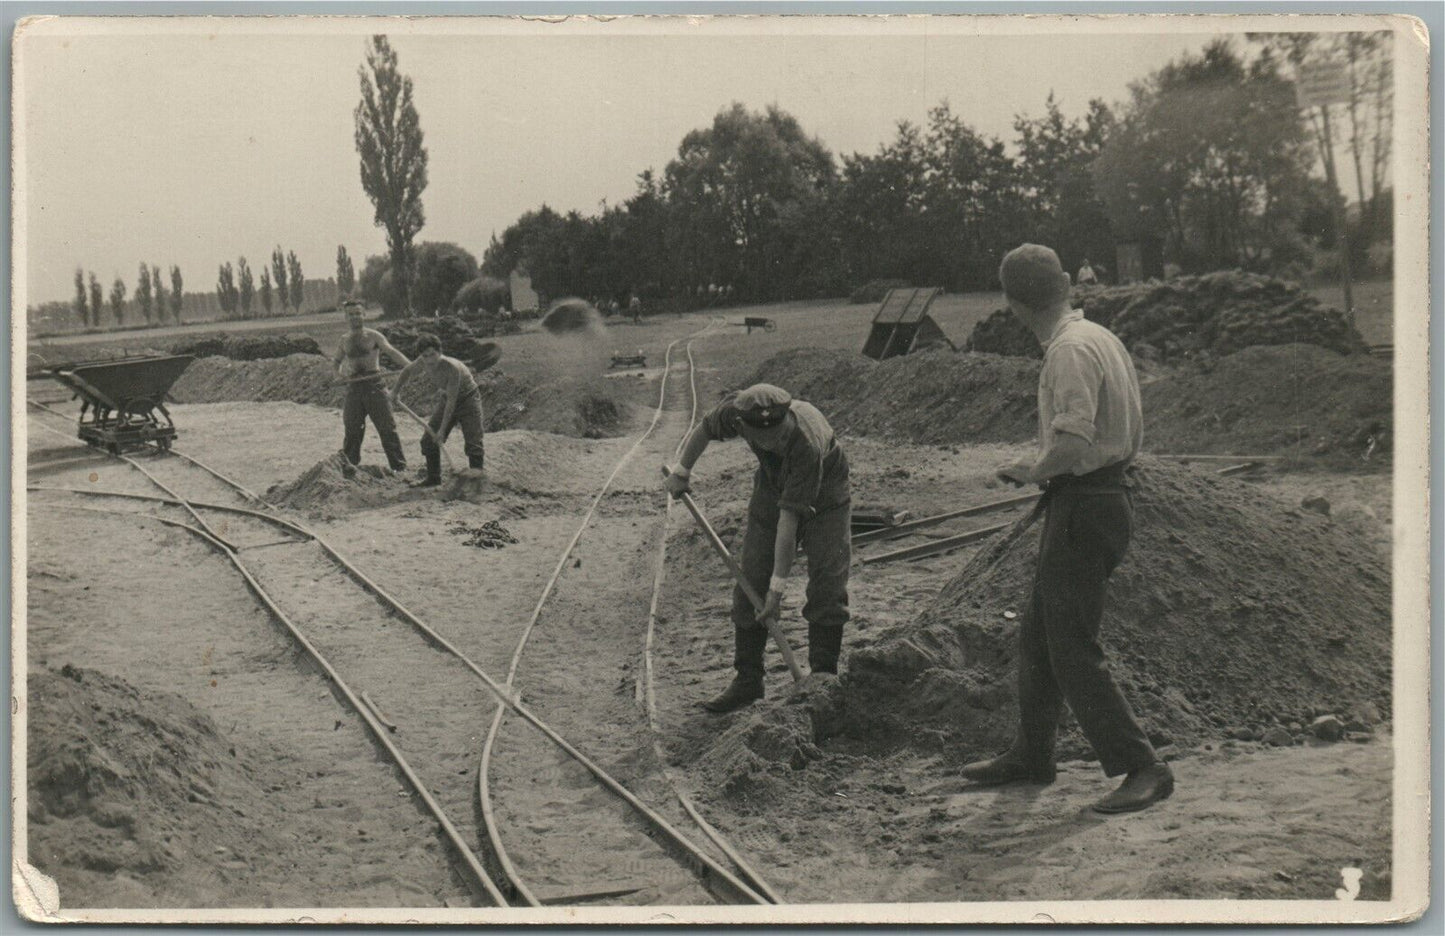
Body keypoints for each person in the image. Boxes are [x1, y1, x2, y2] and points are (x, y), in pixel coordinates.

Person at [961, 243, 1173, 814]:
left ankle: (1143, 766)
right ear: (1062, 285)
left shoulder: (1068, 352)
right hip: (1092, 498)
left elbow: (1075, 441)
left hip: (1087, 502)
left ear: (1013, 303)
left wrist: (1032, 470)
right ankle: (1032, 754)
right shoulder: (1098, 336)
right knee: (1039, 636)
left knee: (1072, 644)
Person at [664, 384, 851, 713]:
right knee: (751, 577)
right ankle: (748, 681)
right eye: (764, 440)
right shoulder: (734, 414)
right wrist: (682, 471)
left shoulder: (804, 444)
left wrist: (776, 593)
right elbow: (705, 429)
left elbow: (788, 524)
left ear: (787, 420)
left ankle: (823, 677)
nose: (773, 443)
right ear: (742, 426)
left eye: (779, 436)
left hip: (828, 494)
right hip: (771, 482)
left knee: (827, 579)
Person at [389, 333, 486, 488]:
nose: (430, 360)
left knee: (473, 441)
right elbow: (407, 371)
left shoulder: (451, 368)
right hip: (447, 398)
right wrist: (395, 391)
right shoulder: (422, 362)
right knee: (428, 440)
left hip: (468, 399)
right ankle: (433, 478)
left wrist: (442, 431)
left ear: (440, 352)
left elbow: (452, 403)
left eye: (433, 355)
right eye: (425, 356)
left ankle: (477, 481)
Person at [332, 302, 409, 474]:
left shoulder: (374, 336)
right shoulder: (344, 340)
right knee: (352, 430)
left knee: (387, 429)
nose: (355, 317)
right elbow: (336, 362)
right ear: (346, 317)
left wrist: (409, 366)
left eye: (358, 313)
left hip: (374, 386)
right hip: (354, 388)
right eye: (351, 314)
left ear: (364, 314)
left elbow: (391, 351)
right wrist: (338, 376)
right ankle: (350, 469)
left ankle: (400, 468)